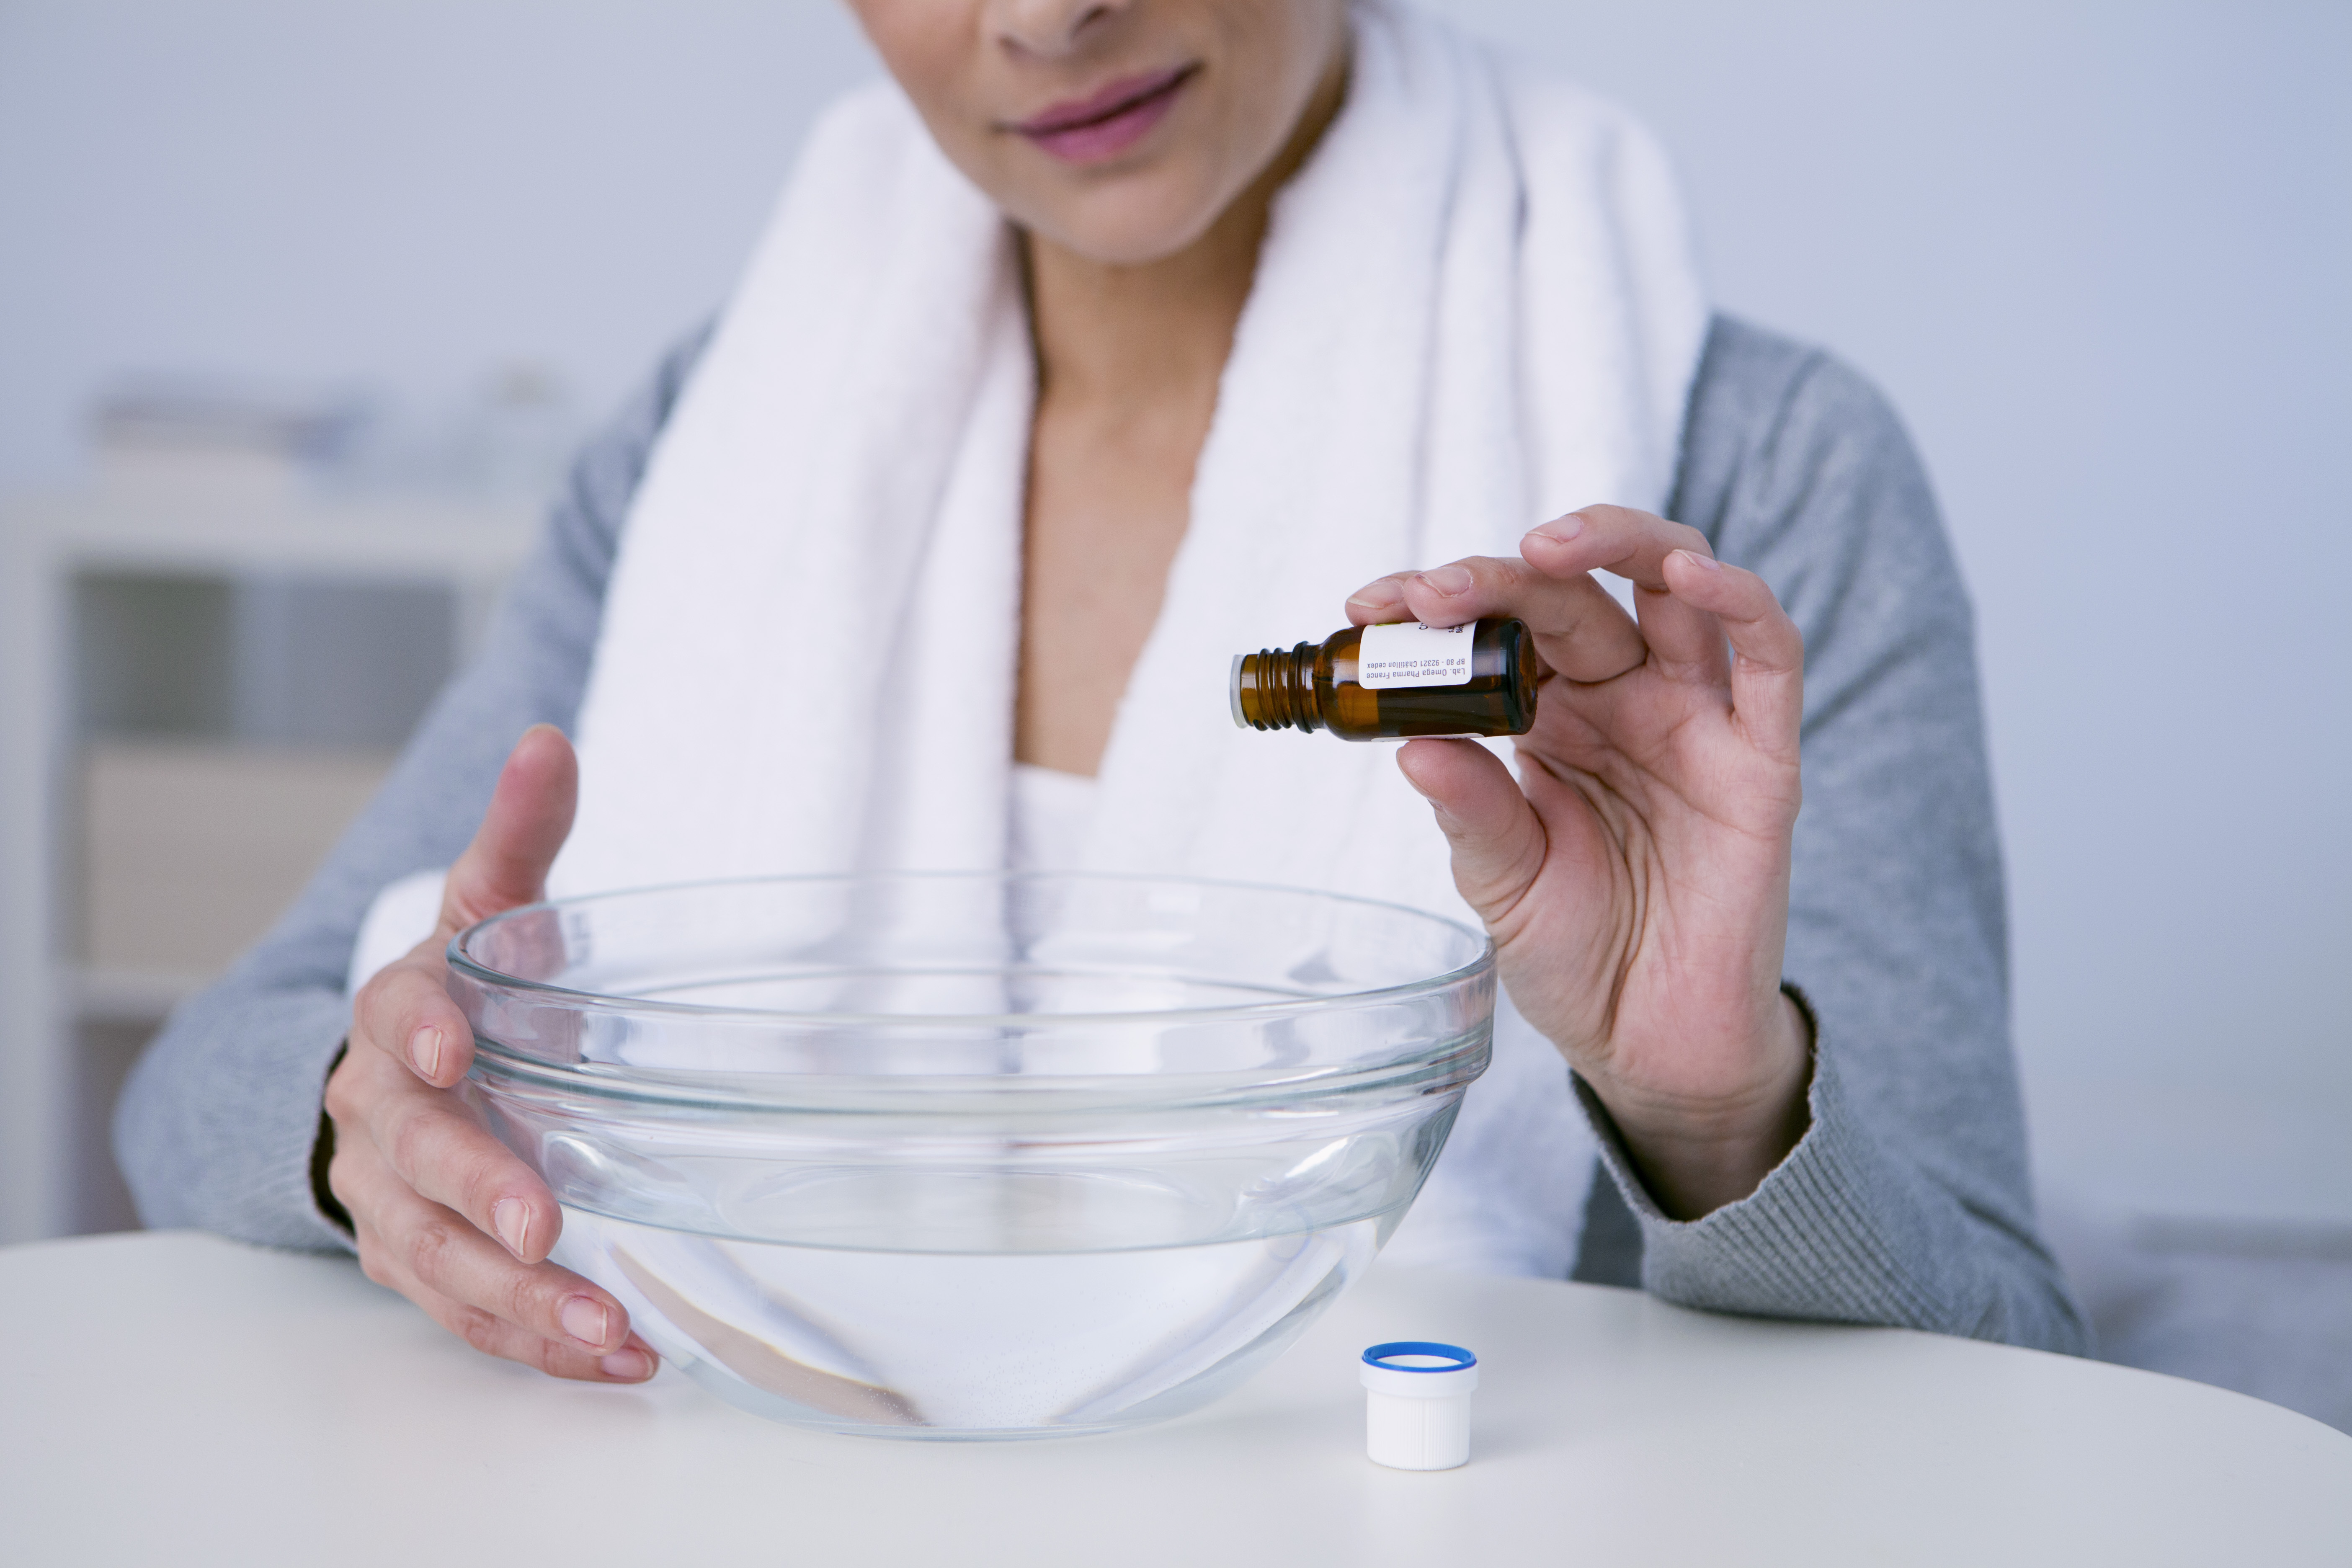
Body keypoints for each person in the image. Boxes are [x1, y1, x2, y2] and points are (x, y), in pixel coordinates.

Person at [117, 0, 2088, 1387]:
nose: (1051, 13)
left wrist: (1710, 1105)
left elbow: (1999, 1358)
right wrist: (375, 1131)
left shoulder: (1744, 496)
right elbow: (208, 1078)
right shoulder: (715, 449)